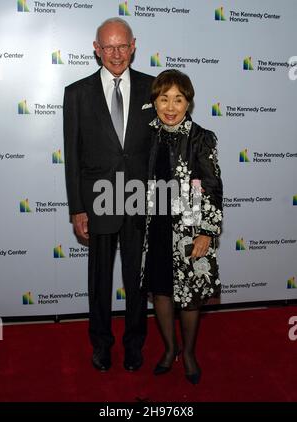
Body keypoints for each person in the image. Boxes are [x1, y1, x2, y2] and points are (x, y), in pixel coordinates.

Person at [63, 18, 154, 372]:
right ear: (96, 49)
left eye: (122, 46)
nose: (116, 55)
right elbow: (72, 154)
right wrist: (77, 208)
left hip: (140, 200)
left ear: (134, 45)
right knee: (99, 283)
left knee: (137, 281)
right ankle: (101, 344)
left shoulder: (153, 88)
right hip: (97, 201)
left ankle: (135, 345)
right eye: (109, 48)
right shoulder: (77, 93)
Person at [141, 69, 223, 384]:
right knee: (160, 291)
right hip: (156, 227)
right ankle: (168, 349)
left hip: (190, 230)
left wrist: (207, 232)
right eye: (164, 99)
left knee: (189, 297)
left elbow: (213, 186)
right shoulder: (148, 133)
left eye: (179, 99)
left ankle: (188, 352)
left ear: (188, 102)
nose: (171, 106)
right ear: (155, 102)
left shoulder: (202, 137)